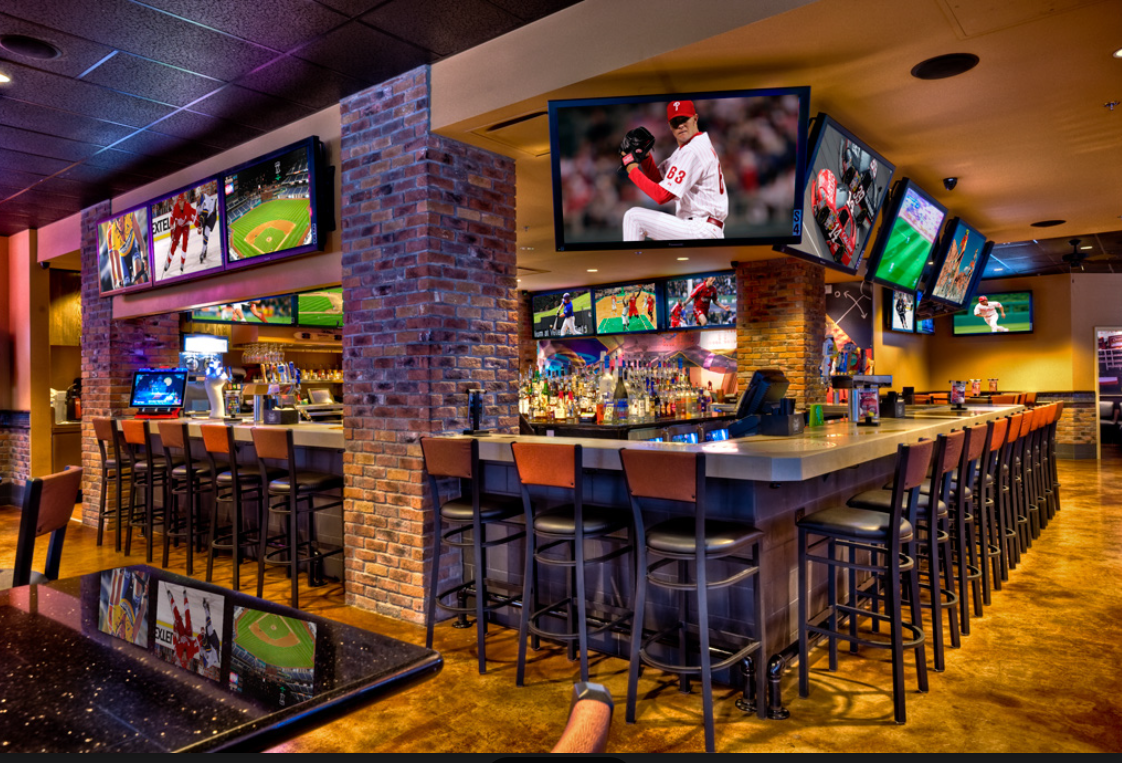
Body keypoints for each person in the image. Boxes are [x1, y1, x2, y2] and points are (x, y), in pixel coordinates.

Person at [619, 100, 728, 241]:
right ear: (670, 126)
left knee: (633, 217)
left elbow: (662, 196)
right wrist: (646, 157)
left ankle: (632, 263)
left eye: (684, 119)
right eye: (676, 122)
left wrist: (631, 168)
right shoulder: (688, 148)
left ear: (695, 119)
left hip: (701, 227)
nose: (681, 125)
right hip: (701, 227)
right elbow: (659, 180)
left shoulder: (693, 150)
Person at [164, 192, 195, 273]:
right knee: (174, 244)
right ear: (178, 202)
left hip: (185, 226)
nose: (181, 204)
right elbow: (171, 219)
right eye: (179, 202)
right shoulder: (175, 209)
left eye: (182, 202)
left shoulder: (187, 207)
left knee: (185, 242)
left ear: (184, 201)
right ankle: (168, 262)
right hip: (178, 226)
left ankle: (182, 262)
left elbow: (192, 216)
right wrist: (171, 229)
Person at [195, 186, 219, 263]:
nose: (197, 199)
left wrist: (200, 223)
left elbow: (203, 215)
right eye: (196, 198)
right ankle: (205, 248)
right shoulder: (197, 203)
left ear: (201, 194)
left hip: (211, 214)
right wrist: (199, 226)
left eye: (198, 197)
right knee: (204, 235)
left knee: (206, 233)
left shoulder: (205, 200)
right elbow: (199, 216)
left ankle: (202, 252)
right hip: (206, 215)